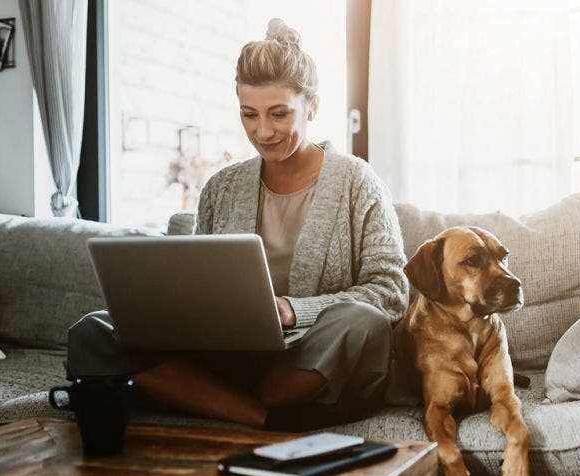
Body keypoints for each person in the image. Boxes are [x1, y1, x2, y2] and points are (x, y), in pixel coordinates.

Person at [65, 18, 409, 431]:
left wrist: (292, 311)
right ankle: (264, 418)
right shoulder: (221, 187)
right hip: (230, 354)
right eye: (249, 114)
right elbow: (196, 280)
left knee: (361, 321)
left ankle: (207, 398)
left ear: (312, 106)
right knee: (92, 330)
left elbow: (390, 292)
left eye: (279, 114)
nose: (263, 131)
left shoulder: (357, 181)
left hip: (310, 357)